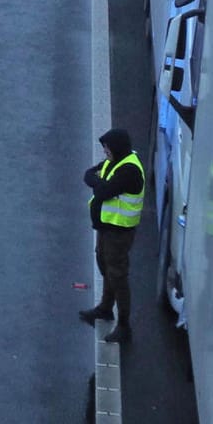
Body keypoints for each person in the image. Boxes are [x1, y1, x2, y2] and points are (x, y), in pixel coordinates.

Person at [79, 127, 144, 344]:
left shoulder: (130, 171)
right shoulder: (115, 162)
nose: (105, 152)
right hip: (106, 228)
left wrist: (99, 183)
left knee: (117, 275)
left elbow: (102, 190)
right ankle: (106, 308)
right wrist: (99, 182)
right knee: (106, 267)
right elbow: (88, 175)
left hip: (119, 231)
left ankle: (124, 326)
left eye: (107, 148)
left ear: (117, 148)